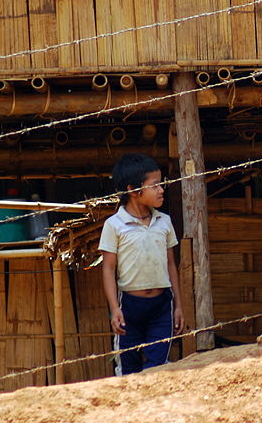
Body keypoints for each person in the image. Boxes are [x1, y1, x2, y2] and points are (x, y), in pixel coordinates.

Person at [99, 153, 184, 375]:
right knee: (129, 369)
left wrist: (178, 305)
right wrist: (115, 309)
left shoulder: (164, 221)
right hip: (129, 307)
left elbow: (171, 264)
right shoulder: (114, 225)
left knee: (158, 367)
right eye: (154, 185)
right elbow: (108, 269)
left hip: (162, 306)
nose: (161, 190)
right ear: (133, 190)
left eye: (161, 184)